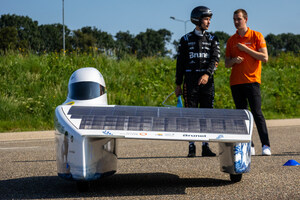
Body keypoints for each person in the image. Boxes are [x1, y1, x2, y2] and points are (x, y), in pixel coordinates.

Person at [175, 6, 220, 157]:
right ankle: (191, 146)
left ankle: (206, 146)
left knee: (207, 114)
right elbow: (180, 63)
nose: (209, 22)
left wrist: (207, 74)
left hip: (207, 83)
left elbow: (215, 59)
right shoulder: (185, 39)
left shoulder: (213, 39)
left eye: (209, 19)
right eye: (206, 19)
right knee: (191, 114)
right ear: (197, 19)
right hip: (190, 81)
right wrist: (178, 84)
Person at [225, 9, 271, 156]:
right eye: (234, 19)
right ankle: (249, 145)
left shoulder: (256, 36)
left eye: (239, 19)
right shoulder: (231, 40)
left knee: (257, 113)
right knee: (242, 115)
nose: (236, 22)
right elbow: (226, 63)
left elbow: (264, 57)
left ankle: (265, 145)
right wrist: (233, 61)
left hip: (252, 80)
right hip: (236, 82)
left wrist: (245, 49)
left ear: (246, 19)